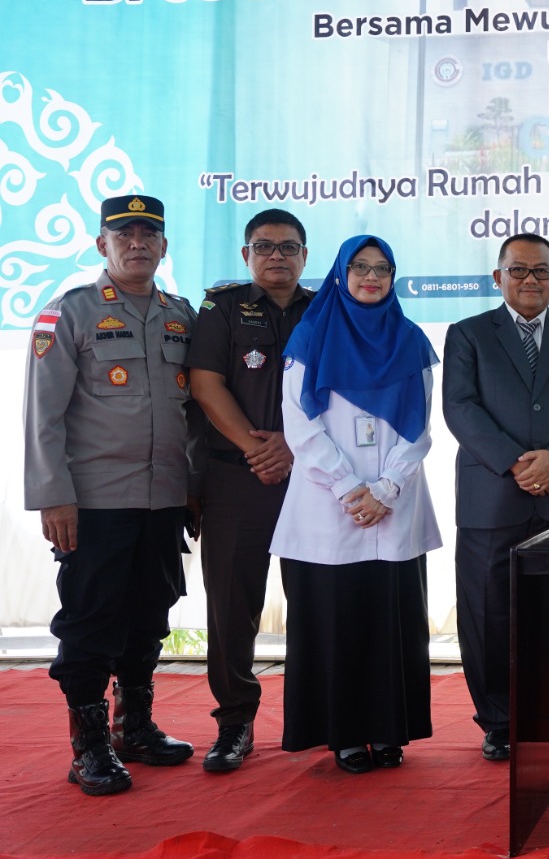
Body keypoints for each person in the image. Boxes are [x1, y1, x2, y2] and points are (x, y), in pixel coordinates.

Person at [24, 194, 200, 795]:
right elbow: (42, 415)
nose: (136, 243)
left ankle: (135, 727)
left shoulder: (181, 316)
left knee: (150, 615)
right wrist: (53, 496)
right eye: (123, 234)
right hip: (94, 501)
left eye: (148, 233)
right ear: (102, 244)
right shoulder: (69, 313)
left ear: (164, 246)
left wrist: (194, 489)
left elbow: (195, 414)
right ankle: (89, 748)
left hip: (164, 498)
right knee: (90, 622)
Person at [269, 235, 442, 774]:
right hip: (328, 507)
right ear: (341, 274)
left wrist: (386, 488)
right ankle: (343, 735)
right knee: (336, 622)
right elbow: (301, 424)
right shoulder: (311, 336)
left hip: (395, 505)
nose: (372, 277)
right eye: (361, 267)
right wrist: (349, 487)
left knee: (392, 624)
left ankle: (391, 731)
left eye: (383, 269)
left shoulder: (410, 341)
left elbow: (419, 428)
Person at [444, 234, 549, 762]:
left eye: (541, 271)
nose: (530, 280)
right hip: (492, 494)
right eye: (518, 271)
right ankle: (499, 720)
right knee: (488, 612)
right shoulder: (466, 335)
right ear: (498, 277)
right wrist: (516, 462)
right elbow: (460, 408)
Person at [188, 208, 313, 772]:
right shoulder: (221, 308)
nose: (276, 257)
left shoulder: (326, 310)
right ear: (246, 255)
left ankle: (319, 720)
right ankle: (235, 722)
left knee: (316, 602)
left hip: (313, 476)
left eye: (288, 248)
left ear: (304, 256)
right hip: (237, 477)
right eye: (264, 247)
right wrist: (256, 448)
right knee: (233, 605)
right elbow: (205, 383)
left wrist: (292, 446)